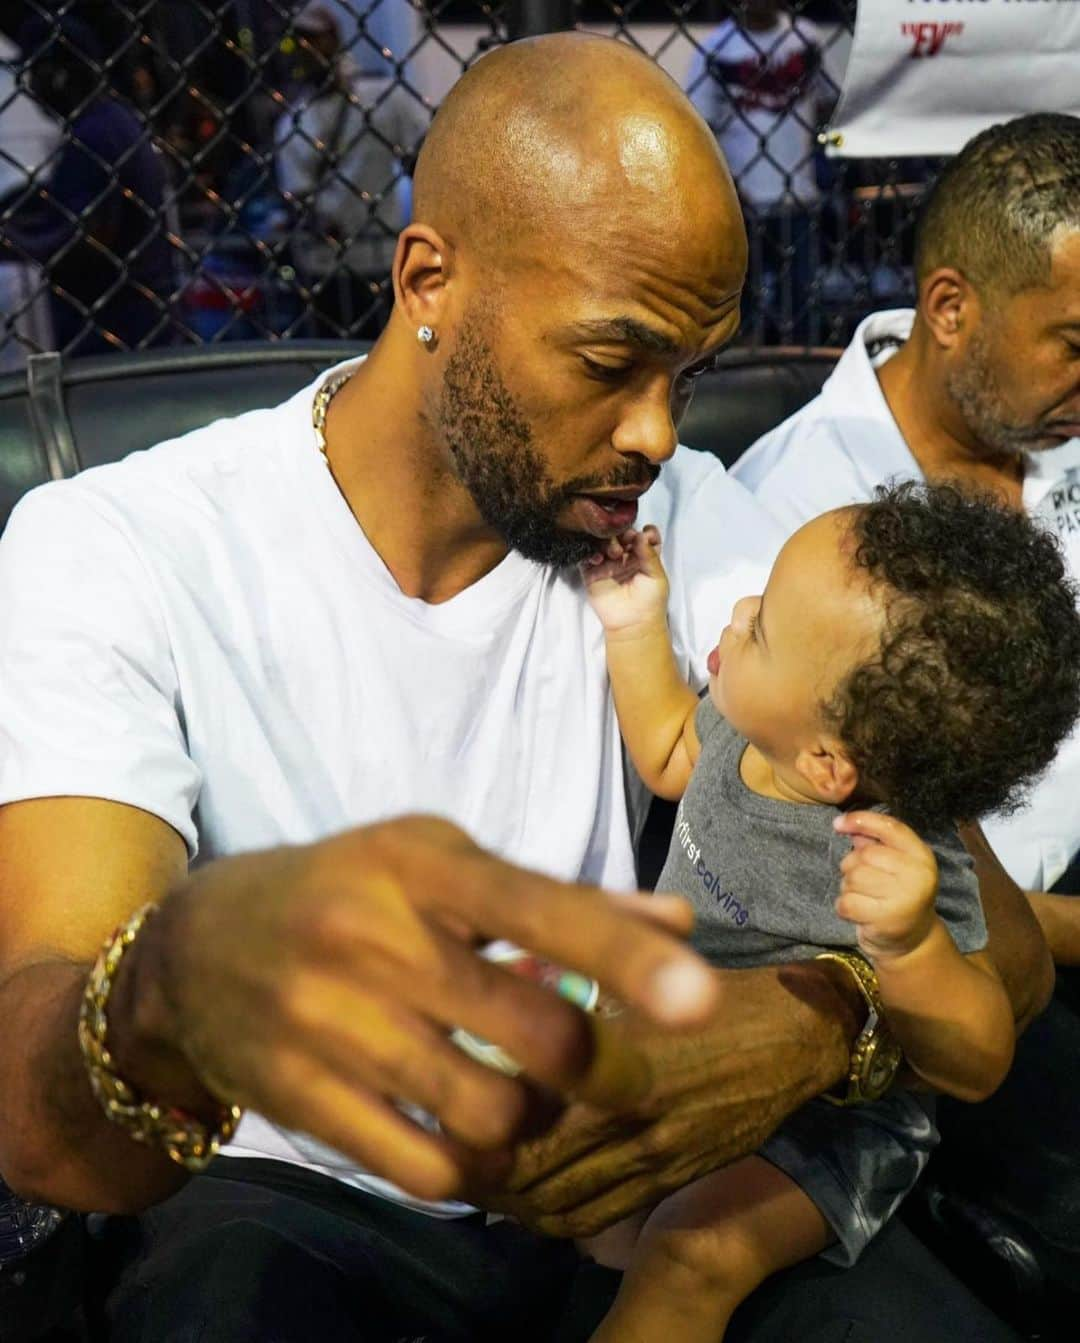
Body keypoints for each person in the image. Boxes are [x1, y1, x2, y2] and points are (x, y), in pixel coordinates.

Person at [0, 34, 1043, 1343]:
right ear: (429, 277)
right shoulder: (126, 546)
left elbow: (998, 951)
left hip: (632, 1190)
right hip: (291, 1198)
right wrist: (167, 987)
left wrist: (820, 1014)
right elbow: (37, 1104)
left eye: (690, 374)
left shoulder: (689, 531)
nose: (660, 429)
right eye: (612, 362)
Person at [578, 484, 1080, 1341]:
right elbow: (668, 751)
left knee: (689, 1253)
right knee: (594, 1217)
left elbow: (980, 1055)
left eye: (763, 625)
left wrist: (912, 942)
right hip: (693, 1043)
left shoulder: (895, 859)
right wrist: (633, 622)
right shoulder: (747, 726)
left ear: (826, 762)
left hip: (828, 1131)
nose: (737, 611)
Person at [732, 111, 1080, 1285]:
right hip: (953, 967)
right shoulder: (800, 522)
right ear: (950, 309)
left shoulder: (1063, 437)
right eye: (1074, 343)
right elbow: (812, 862)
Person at [1, 14, 174, 357]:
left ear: (60, 75)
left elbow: (91, 236)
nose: (33, 87)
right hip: (134, 324)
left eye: (36, 74)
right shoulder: (111, 121)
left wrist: (18, 244)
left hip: (115, 330)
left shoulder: (94, 135)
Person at [274, 1, 428, 337]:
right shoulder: (294, 121)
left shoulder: (383, 96)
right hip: (326, 269)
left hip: (381, 259)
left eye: (313, 39)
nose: (304, 50)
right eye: (297, 41)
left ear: (335, 39)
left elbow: (425, 153)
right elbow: (296, 194)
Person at [687, 0, 830, 344]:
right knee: (739, 304)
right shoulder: (717, 47)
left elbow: (828, 101)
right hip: (742, 201)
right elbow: (698, 128)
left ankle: (796, 379)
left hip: (797, 195)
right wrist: (728, 185)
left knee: (801, 301)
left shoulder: (806, 38)